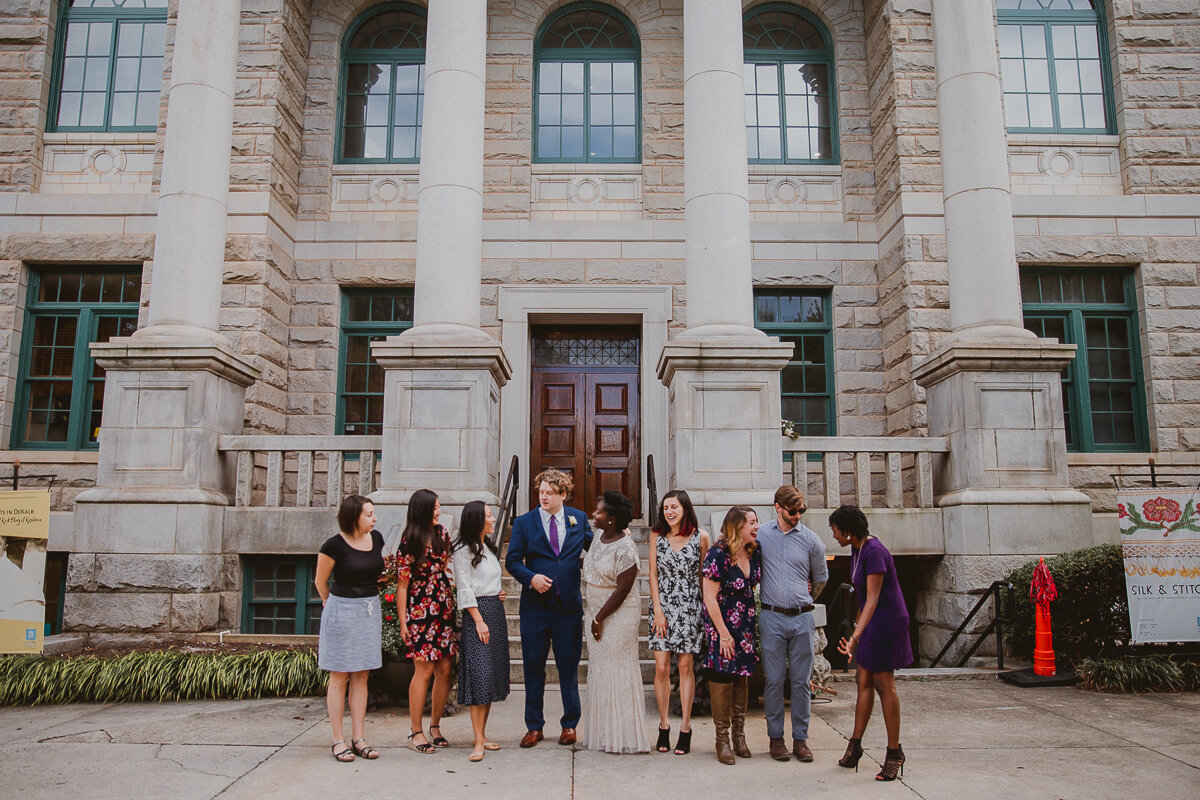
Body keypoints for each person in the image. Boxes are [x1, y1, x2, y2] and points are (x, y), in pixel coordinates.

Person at [504, 468, 594, 747]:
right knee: (534, 667)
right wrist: (530, 577)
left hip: (568, 607)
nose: (543, 496)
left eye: (549, 492)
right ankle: (534, 726)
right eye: (541, 491)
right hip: (536, 609)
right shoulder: (524, 522)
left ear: (563, 495)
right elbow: (512, 561)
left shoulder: (578, 519)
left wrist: (619, 534)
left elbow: (596, 548)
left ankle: (570, 725)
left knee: (569, 669)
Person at [831, 504, 912, 781]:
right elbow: (863, 599)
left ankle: (894, 753)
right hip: (871, 621)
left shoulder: (875, 552)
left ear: (848, 531)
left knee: (883, 684)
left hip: (887, 621)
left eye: (836, 531)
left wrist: (854, 636)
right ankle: (855, 745)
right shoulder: (857, 549)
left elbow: (875, 598)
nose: (834, 536)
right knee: (862, 681)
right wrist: (857, 630)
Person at [756, 485, 828, 763]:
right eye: (792, 510)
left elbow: (821, 578)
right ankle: (776, 739)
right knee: (773, 681)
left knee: (801, 682)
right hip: (771, 616)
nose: (797, 515)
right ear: (778, 507)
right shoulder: (762, 534)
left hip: (802, 617)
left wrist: (807, 598)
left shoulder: (812, 540)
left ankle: (801, 740)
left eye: (801, 511)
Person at [315, 495, 384, 763]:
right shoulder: (333, 545)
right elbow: (321, 582)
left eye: (373, 513)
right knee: (339, 675)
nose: (374, 518)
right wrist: (331, 604)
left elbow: (378, 569)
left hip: (369, 609)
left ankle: (359, 737)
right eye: (369, 514)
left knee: (362, 675)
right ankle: (338, 739)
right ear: (354, 517)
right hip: (342, 610)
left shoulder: (376, 539)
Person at [581, 490, 650, 754]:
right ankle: (603, 733)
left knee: (617, 670)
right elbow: (594, 565)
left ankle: (624, 735)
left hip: (618, 616)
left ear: (611, 519)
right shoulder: (599, 536)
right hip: (596, 612)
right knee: (601, 669)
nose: (593, 515)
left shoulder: (627, 548)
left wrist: (599, 618)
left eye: (598, 512)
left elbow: (622, 590)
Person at [395, 489, 458, 754]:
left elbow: (446, 568)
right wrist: (403, 622)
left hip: (443, 607)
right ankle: (415, 730)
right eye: (434, 507)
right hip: (421, 611)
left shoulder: (442, 533)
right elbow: (402, 584)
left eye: (439, 506)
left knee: (444, 670)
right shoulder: (410, 539)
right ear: (422, 510)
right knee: (424, 671)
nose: (439, 510)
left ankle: (435, 725)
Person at [647, 489, 709, 755]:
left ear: (684, 508)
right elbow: (651, 574)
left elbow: (705, 575)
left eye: (674, 507)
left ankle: (685, 727)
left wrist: (705, 611)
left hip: (689, 607)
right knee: (661, 668)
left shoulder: (701, 536)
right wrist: (658, 611)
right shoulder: (656, 536)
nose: (669, 512)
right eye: (665, 508)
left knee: (685, 667)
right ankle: (663, 726)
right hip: (663, 608)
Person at [700, 505, 761, 766]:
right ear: (737, 527)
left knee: (742, 678)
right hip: (721, 625)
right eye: (751, 522)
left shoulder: (753, 552)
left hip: (745, 626)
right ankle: (722, 739)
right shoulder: (717, 555)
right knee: (722, 677)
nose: (757, 527)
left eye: (756, 522)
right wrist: (724, 634)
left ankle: (739, 735)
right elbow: (709, 597)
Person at [452, 500, 511, 762]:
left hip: (495, 611)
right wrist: (477, 620)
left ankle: (483, 734)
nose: (493, 518)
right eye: (489, 515)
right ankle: (477, 741)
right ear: (477, 519)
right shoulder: (462, 551)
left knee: (490, 677)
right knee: (479, 675)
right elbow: (464, 588)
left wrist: (498, 590)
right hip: (478, 615)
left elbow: (487, 579)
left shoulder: (487, 546)